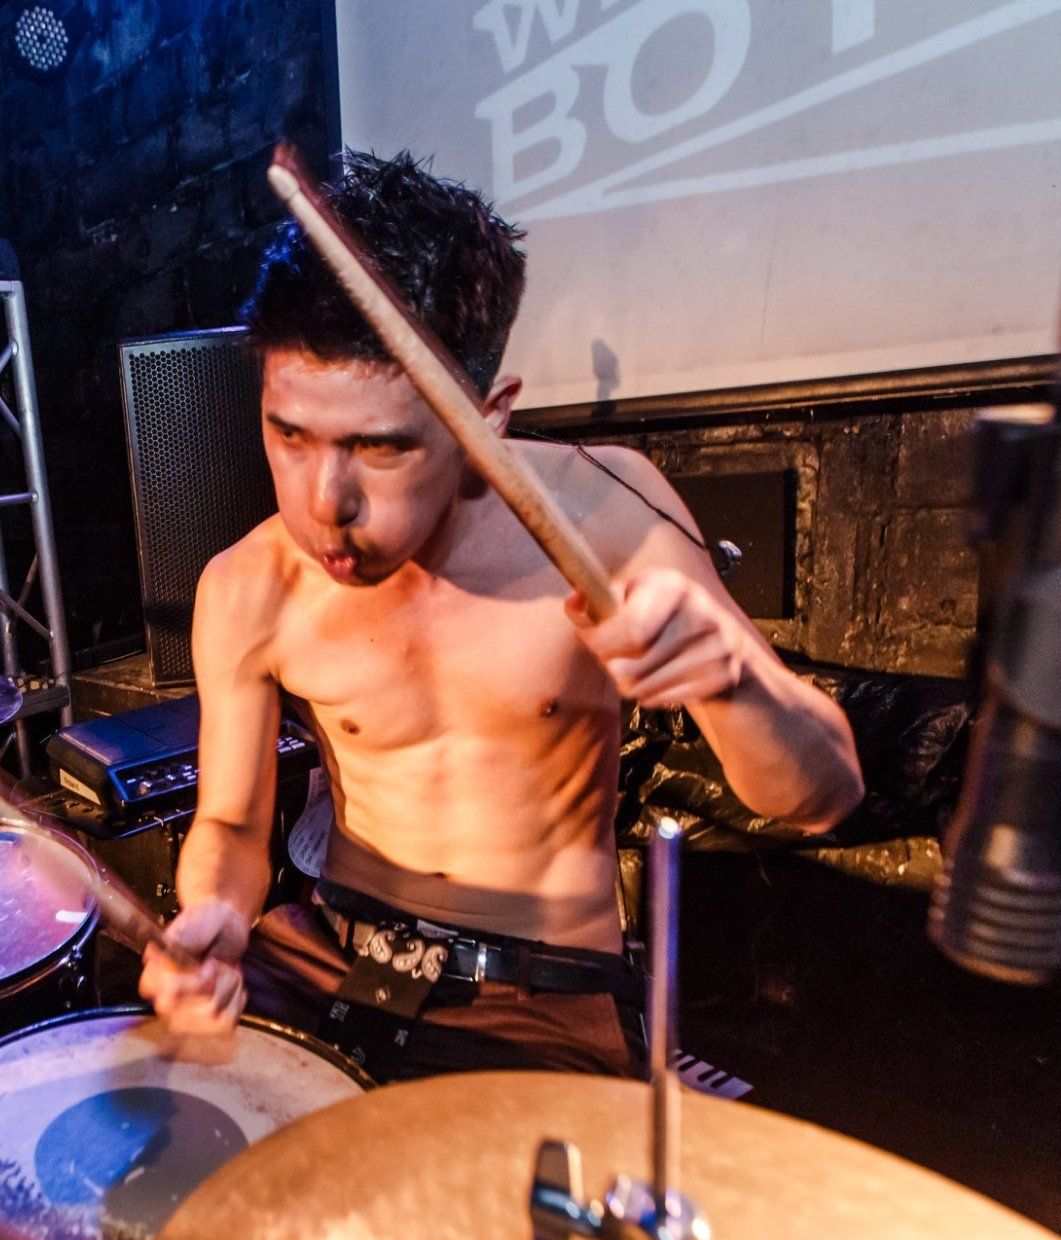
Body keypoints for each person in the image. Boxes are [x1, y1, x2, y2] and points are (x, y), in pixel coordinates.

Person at [137, 152, 863, 1080]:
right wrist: (216, 919)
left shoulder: (608, 514)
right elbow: (233, 827)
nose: (326, 501)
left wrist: (733, 679)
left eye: (382, 446)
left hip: (540, 994)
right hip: (326, 954)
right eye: (289, 434)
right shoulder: (247, 584)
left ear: (488, 417)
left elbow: (822, 797)